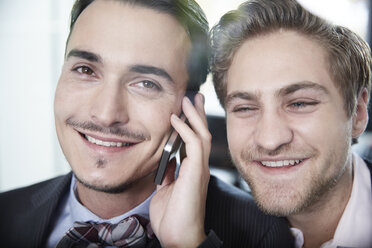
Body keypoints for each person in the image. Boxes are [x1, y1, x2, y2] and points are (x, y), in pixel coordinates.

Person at [0, 0, 295, 247]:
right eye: (85, 69)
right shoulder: (5, 214)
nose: (105, 114)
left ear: (189, 108)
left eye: (145, 83)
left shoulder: (264, 234)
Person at [210, 0, 372, 247]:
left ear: (358, 113)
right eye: (245, 108)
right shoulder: (202, 228)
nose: (270, 140)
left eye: (299, 104)